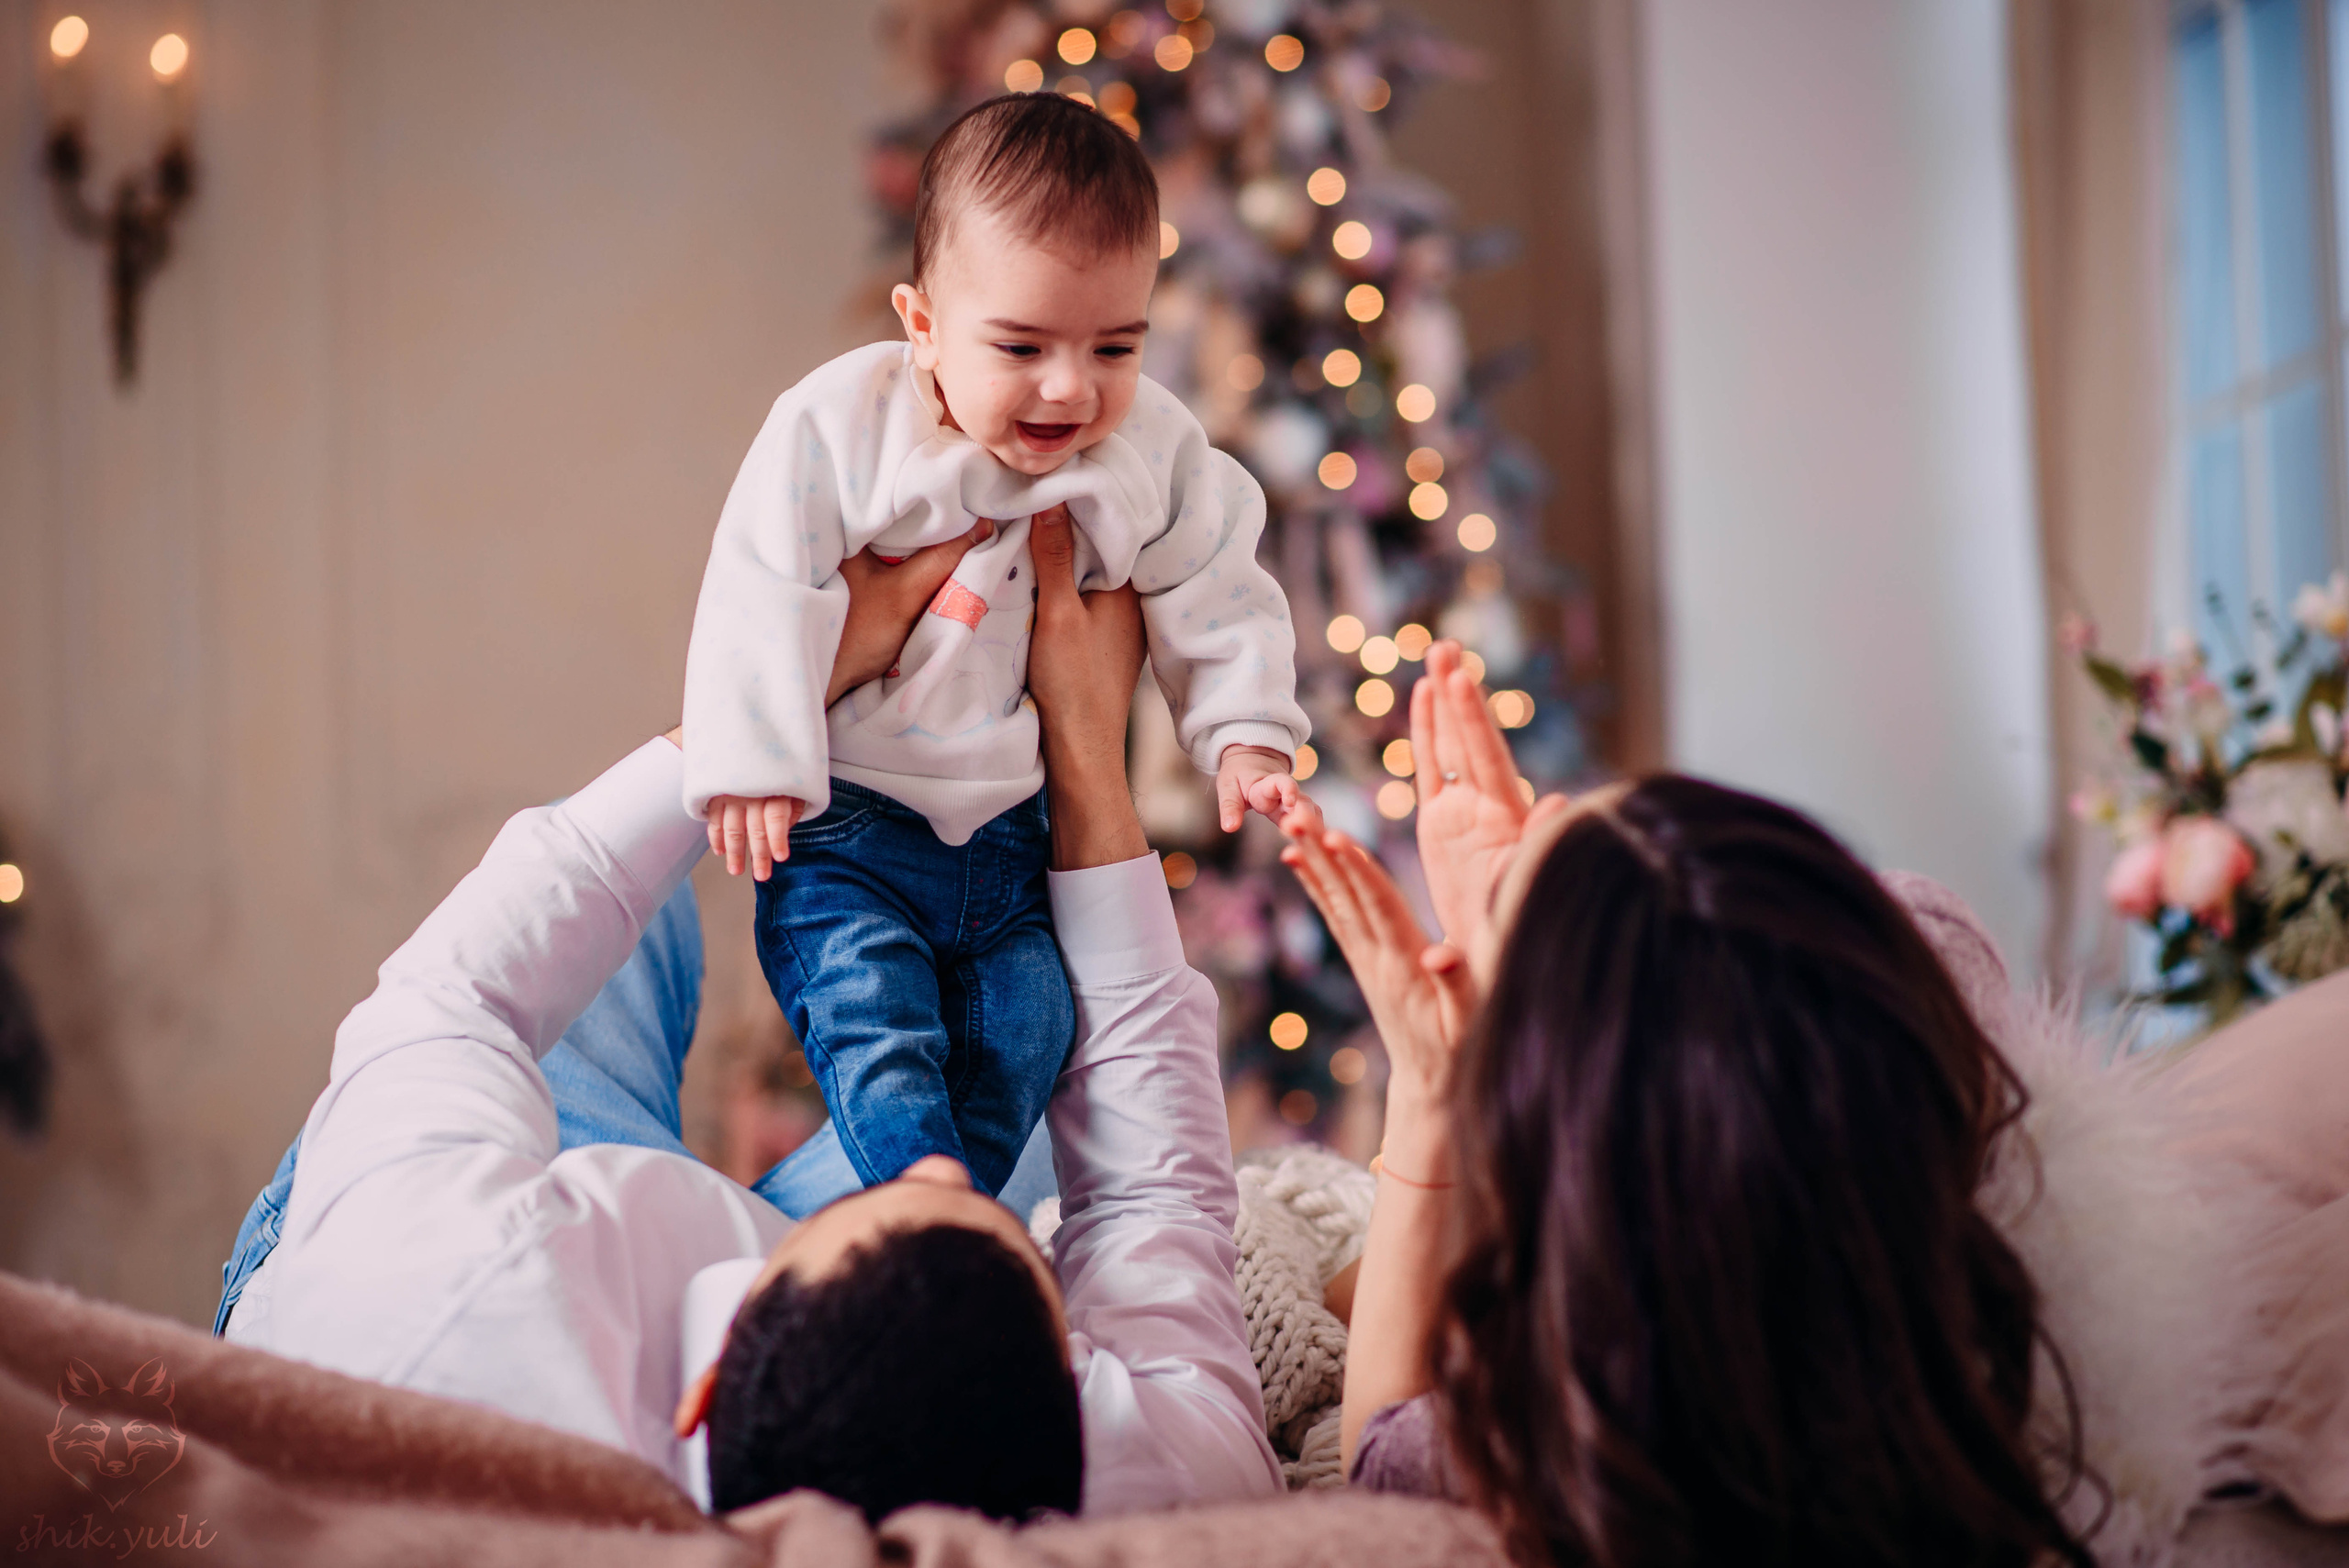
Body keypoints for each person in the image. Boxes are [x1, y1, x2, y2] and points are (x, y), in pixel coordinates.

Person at [216, 508, 1286, 1525]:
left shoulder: (438, 1280)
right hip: (710, 1309)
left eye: (916, 1199)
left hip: (507, 1260)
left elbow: (455, 995)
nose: (934, 1171)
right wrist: (1088, 750)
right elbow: (1158, 1200)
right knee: (1032, 1057)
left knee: (610, 901)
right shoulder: (1143, 1464)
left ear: (709, 1377)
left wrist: (772, 702)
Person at [1280, 643, 2095, 1568]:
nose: (1540, 802)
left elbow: (1380, 1455)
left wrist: (1433, 1079)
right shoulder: (1919, 1014)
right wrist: (1558, 954)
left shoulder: (1578, 1421)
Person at [680, 91, 1309, 1202]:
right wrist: (752, 754)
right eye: (1020, 346)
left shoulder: (1151, 446)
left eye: (1116, 344)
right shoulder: (847, 421)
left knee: (1028, 1028)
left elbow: (1220, 581)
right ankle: (928, 1202)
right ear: (921, 323)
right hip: (852, 825)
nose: (1071, 386)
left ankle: (940, 1214)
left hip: (1012, 840)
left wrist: (1245, 731)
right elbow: (759, 578)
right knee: (874, 1024)